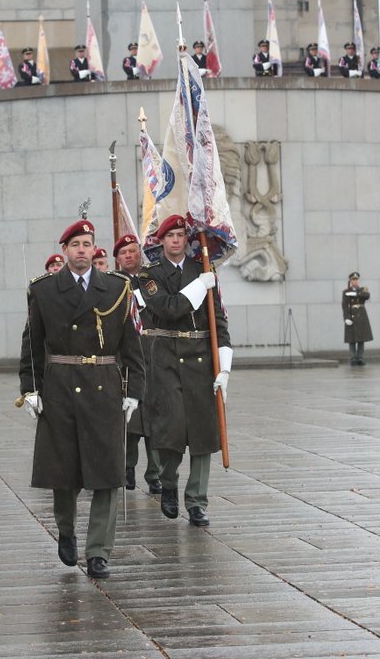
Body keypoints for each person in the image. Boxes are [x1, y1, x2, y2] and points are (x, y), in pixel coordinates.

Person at [19, 219, 144, 578]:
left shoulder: (117, 288)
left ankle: (99, 552)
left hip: (104, 385)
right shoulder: (43, 290)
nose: (82, 250)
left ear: (94, 248)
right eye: (75, 244)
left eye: (87, 244)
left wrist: (134, 390)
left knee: (106, 474)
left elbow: (131, 346)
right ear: (65, 250)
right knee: (64, 471)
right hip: (60, 387)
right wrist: (30, 389)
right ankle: (66, 528)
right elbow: (32, 344)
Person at [135, 215, 229, 529]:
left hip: (200, 360)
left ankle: (198, 502)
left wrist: (225, 368)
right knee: (170, 428)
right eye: (170, 236)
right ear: (161, 241)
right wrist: (201, 285)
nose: (176, 240)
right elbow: (170, 308)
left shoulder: (204, 268)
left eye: (180, 235)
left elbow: (218, 321)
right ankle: (169, 483)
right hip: (165, 359)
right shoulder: (149, 274)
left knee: (203, 434)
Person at [114, 234, 162, 495]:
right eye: (124, 253)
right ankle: (128, 468)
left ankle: (154, 473)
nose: (129, 256)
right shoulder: (113, 283)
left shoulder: (151, 281)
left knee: (152, 418)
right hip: (127, 355)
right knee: (129, 419)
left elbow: (161, 307)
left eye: (133, 251)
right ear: (118, 258)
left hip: (152, 352)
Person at [342, 272, 372, 365]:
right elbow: (344, 305)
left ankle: (360, 357)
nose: (355, 281)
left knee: (361, 339)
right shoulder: (346, 291)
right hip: (351, 315)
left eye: (356, 279)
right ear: (350, 281)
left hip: (361, 315)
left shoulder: (363, 289)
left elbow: (367, 296)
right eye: (353, 280)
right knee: (352, 339)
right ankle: (353, 357)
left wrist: (356, 293)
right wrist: (346, 318)